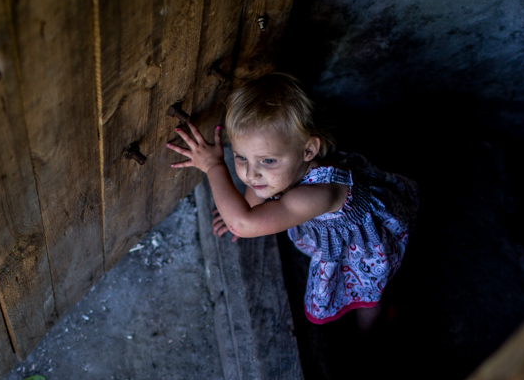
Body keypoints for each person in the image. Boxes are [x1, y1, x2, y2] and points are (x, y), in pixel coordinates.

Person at [167, 73, 418, 327]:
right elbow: (253, 201)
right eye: (241, 157)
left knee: (367, 295)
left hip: (361, 250)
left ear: (309, 150)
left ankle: (371, 331)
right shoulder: (284, 169)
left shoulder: (315, 194)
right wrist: (241, 210)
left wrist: (214, 168)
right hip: (332, 223)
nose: (251, 173)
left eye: (267, 160)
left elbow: (241, 224)